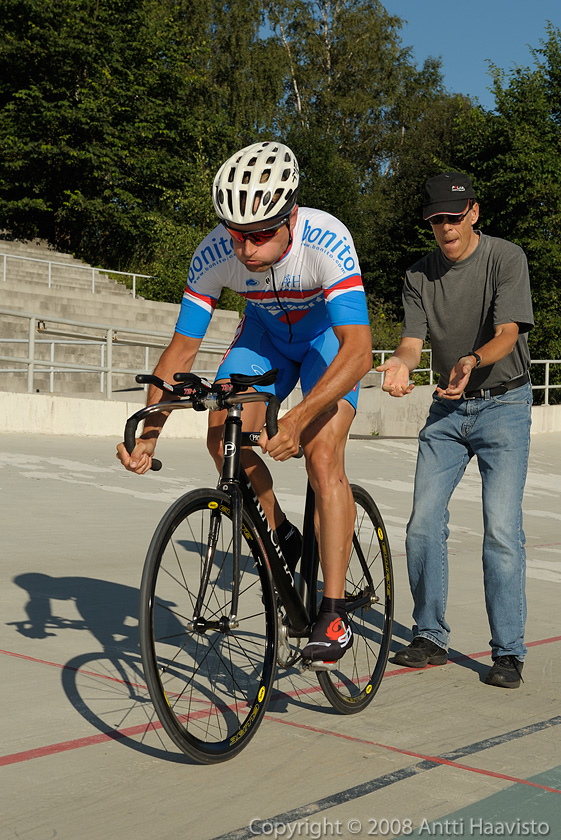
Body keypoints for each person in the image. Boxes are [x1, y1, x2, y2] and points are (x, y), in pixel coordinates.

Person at [117, 141, 373, 666]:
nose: (246, 249)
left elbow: (360, 350)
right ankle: (278, 533)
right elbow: (181, 349)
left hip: (327, 341)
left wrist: (300, 418)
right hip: (264, 334)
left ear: (291, 215)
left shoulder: (326, 240)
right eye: (237, 235)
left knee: (323, 455)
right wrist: (149, 432)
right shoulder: (214, 252)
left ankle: (333, 611)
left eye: (260, 235)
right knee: (222, 436)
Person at [377, 171, 533, 689]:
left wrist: (470, 359)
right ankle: (430, 636)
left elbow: (508, 333)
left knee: (501, 529)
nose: (444, 226)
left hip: (503, 404)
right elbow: (411, 342)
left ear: (473, 213)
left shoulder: (505, 259)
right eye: (434, 219)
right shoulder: (418, 276)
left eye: (452, 216)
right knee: (422, 523)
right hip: (447, 412)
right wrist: (400, 364)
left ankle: (508, 651)